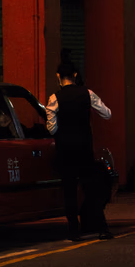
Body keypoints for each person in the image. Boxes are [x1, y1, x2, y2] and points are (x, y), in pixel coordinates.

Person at [46, 58, 113, 241]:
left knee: (69, 191)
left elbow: (51, 128)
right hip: (84, 149)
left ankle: (74, 232)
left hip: (65, 151)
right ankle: (103, 228)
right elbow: (107, 113)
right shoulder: (88, 94)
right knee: (91, 189)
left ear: (59, 77)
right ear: (75, 75)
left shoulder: (54, 99)